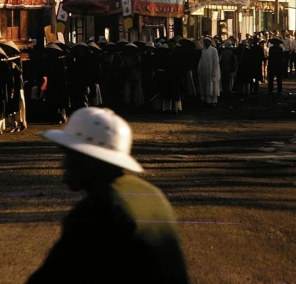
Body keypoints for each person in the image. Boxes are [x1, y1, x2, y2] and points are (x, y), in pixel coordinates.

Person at [26, 107, 190, 284]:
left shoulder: (98, 210)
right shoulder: (149, 193)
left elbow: (51, 276)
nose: (62, 165)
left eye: (68, 155)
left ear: (87, 161)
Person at [197, 37, 220, 106]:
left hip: (211, 71)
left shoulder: (214, 50)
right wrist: (199, 69)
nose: (205, 43)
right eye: (204, 42)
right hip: (205, 71)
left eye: (206, 42)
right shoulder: (203, 50)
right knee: (205, 86)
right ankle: (207, 100)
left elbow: (216, 61)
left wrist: (214, 71)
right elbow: (201, 60)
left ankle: (213, 101)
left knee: (212, 87)